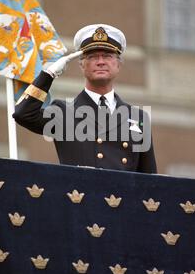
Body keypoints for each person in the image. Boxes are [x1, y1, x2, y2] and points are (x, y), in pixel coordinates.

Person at [13, 24, 157, 173]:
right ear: (82, 65)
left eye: (107, 56)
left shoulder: (138, 117)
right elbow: (23, 114)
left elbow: (150, 178)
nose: (100, 61)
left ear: (118, 64)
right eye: (93, 56)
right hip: (79, 195)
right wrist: (48, 74)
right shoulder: (63, 113)